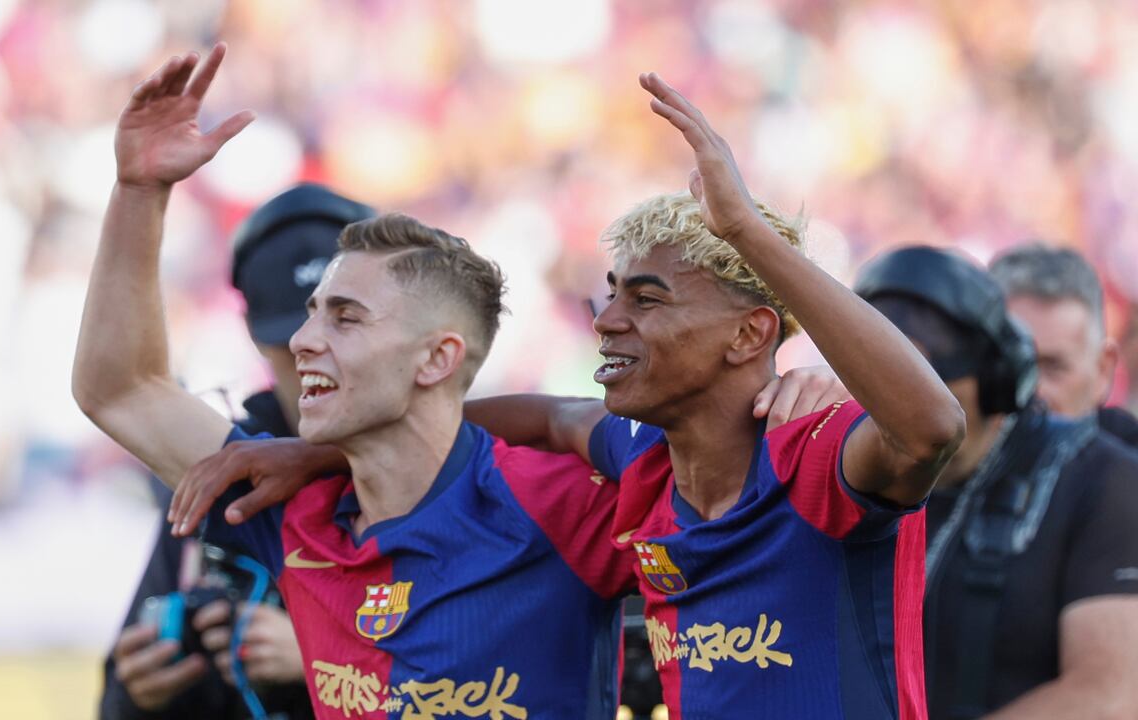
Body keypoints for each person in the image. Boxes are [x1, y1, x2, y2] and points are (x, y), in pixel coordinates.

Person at [170, 73, 965, 719]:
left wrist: (749, 233)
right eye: (610, 293)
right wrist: (318, 451)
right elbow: (548, 417)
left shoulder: (813, 452)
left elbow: (931, 428)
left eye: (646, 300)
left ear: (749, 337)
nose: (607, 321)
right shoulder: (642, 456)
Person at [74, 43, 655, 719]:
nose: (302, 341)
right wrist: (140, 193)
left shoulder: (559, 503)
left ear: (436, 359)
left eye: (345, 318)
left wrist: (807, 392)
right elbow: (122, 389)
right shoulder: (292, 508)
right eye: (311, 314)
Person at [99, 183, 371, 720]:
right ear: (253, 334)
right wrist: (140, 694)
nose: (314, 355)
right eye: (292, 336)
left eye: (344, 328)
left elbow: (490, 681)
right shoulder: (222, 475)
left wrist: (325, 660)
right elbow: (117, 392)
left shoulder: (441, 468)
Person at [854, 245, 1138, 720]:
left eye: (1053, 366)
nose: (1034, 391)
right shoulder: (868, 461)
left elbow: (1111, 698)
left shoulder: (1109, 480)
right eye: (1023, 359)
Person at [989, 243, 1138, 447]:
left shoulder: (1126, 473)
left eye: (1053, 367)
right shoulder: (940, 464)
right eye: (1015, 364)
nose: (1032, 392)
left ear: (1103, 370)